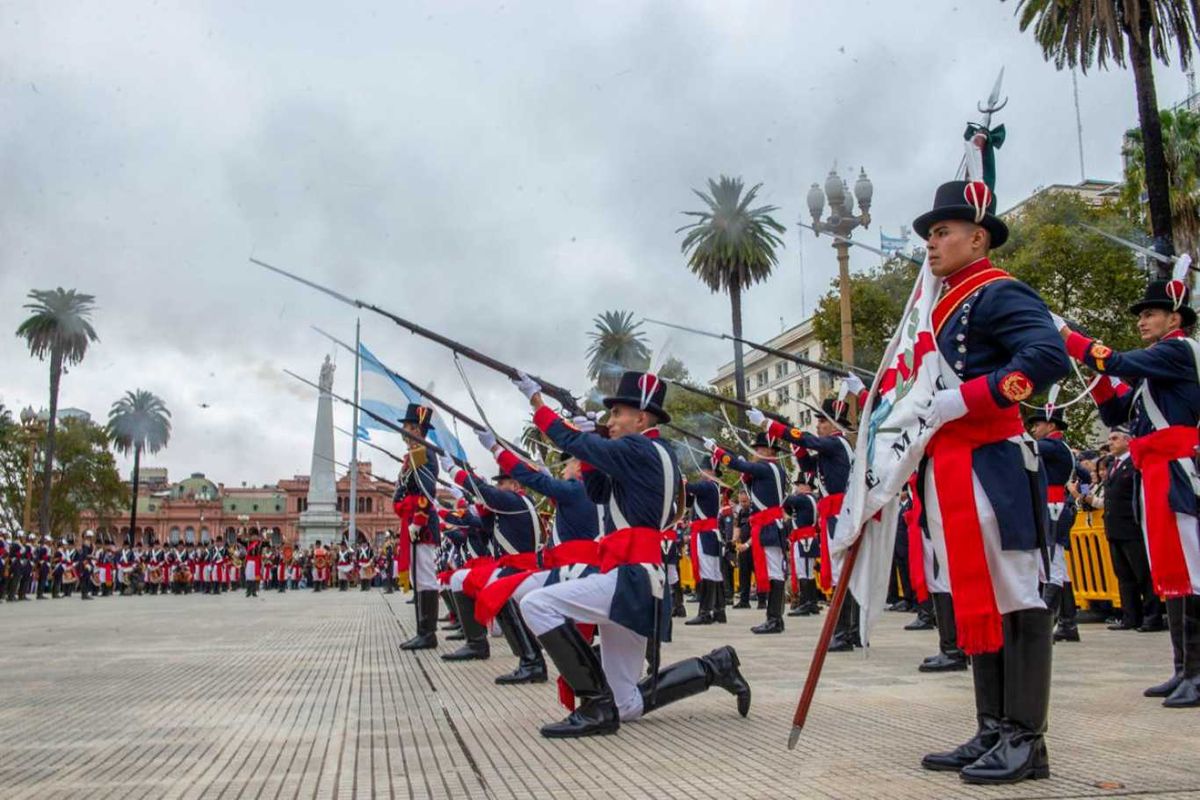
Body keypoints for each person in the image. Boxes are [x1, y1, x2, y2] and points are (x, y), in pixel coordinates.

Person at [910, 178, 1069, 782]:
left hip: (993, 463)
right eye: (929, 232)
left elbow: (1048, 357)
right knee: (981, 598)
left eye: (943, 231)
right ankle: (994, 729)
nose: (932, 241)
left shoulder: (998, 292)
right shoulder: (941, 304)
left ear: (978, 238)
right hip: (951, 468)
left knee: (1017, 596)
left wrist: (971, 397)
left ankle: (1028, 740)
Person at [514, 369, 750, 738]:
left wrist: (537, 404)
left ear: (640, 418)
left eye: (616, 415)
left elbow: (574, 444)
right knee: (627, 705)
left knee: (536, 604)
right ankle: (712, 668)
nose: (610, 422)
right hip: (638, 577)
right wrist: (591, 439)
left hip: (630, 575)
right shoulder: (658, 451)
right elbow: (597, 492)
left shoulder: (638, 447)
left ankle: (595, 705)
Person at [1058, 268, 1199, 708]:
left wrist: (1067, 335)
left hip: (1180, 469)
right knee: (1171, 571)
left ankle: (1197, 671)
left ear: (1175, 320)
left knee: (1191, 571)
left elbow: (1115, 361)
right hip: (1157, 470)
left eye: (1151, 313)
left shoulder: (1179, 352)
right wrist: (1093, 371)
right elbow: (1117, 406)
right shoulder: (1159, 364)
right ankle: (1183, 668)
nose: (1142, 321)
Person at [473, 431, 602, 684]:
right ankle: (537, 660)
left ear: (579, 467)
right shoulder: (591, 492)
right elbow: (546, 483)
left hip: (574, 571)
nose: (563, 471)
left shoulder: (577, 490)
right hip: (580, 568)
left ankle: (536, 661)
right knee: (508, 593)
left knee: (513, 595)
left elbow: (536, 481)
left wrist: (496, 450)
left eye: (567, 465)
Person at [749, 398, 857, 650]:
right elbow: (809, 465)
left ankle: (845, 633)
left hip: (840, 512)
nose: (818, 426)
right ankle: (848, 631)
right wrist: (793, 444)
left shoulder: (836, 442)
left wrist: (771, 425)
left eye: (821, 421)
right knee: (843, 573)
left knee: (842, 573)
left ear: (833, 424)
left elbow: (808, 441)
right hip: (836, 511)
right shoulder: (832, 447)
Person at [440, 457, 542, 664]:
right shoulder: (517, 504)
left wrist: (452, 470)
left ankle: (519, 656)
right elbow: (483, 527)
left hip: (519, 568)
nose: (498, 487)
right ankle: (477, 643)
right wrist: (481, 507)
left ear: (514, 485)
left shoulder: (514, 500)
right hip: (518, 566)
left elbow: (484, 491)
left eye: (501, 483)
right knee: (460, 578)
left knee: (474, 582)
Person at [707, 432, 789, 634]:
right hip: (770, 524)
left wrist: (716, 451)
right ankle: (774, 618)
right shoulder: (775, 469)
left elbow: (737, 465)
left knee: (774, 573)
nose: (756, 452)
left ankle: (774, 619)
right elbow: (754, 486)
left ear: (770, 451)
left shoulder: (765, 467)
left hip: (768, 526)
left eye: (759, 449)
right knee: (774, 572)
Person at [1097, 429, 1163, 631]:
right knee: (1124, 576)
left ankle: (1152, 616)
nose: (1110, 443)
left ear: (1128, 441)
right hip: (1115, 527)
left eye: (1115, 438)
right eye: (1109, 439)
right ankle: (1130, 616)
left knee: (1142, 573)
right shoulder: (1113, 465)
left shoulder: (1134, 463)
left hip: (1132, 527)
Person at [1026, 404, 1080, 642]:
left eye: (1037, 425)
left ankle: (1043, 622)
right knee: (1059, 568)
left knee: (1052, 567)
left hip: (1054, 509)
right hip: (1052, 507)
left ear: (1051, 425)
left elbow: (1026, 448)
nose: (1034, 429)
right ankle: (1068, 623)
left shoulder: (1053, 446)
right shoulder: (1059, 448)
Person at [393, 403, 442, 651]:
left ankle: (428, 633)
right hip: (412, 520)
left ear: (418, 430)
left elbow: (426, 491)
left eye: (409, 427)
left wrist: (418, 521)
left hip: (421, 523)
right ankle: (422, 631)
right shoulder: (413, 454)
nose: (404, 431)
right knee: (417, 576)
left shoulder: (423, 452)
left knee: (424, 576)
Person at [684, 468, 727, 626]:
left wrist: (681, 481)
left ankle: (705, 612)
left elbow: (691, 488)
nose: (701, 473)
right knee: (714, 573)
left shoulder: (708, 486)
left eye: (704, 470)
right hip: (709, 534)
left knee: (708, 572)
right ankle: (718, 610)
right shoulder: (710, 488)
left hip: (705, 534)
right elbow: (689, 500)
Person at [784, 478, 820, 617]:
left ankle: (805, 603)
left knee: (804, 573)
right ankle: (812, 603)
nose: (797, 488)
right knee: (806, 572)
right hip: (802, 538)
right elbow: (788, 507)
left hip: (805, 539)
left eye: (798, 485)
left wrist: (784, 488)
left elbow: (787, 500)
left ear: (806, 486)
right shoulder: (806, 500)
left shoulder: (806, 499)